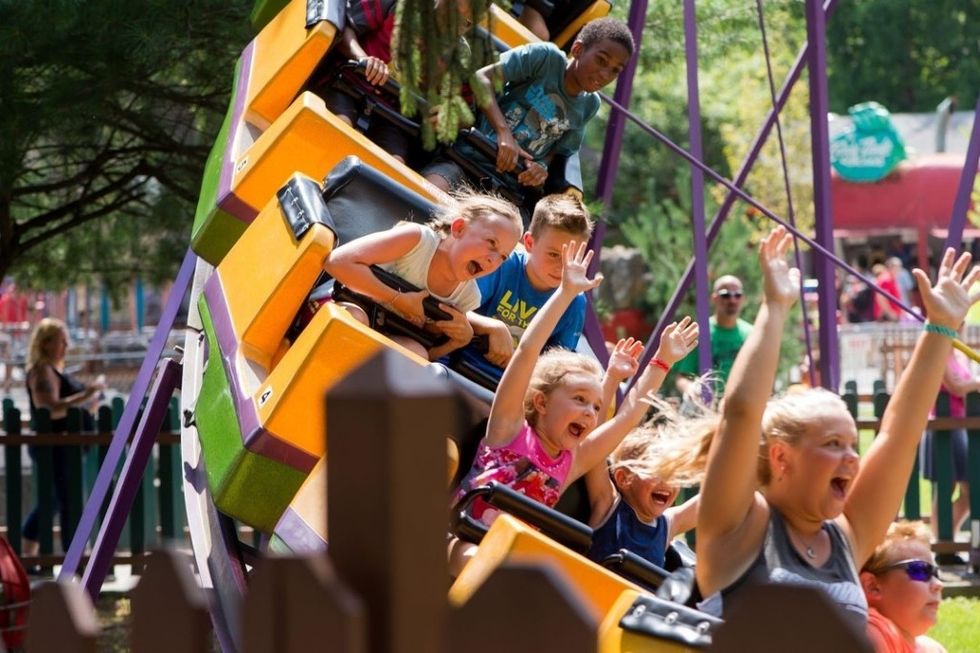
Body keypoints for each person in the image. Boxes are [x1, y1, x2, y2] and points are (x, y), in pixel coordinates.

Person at [695, 226, 980, 635]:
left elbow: (898, 433)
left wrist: (941, 327)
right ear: (780, 457)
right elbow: (740, 414)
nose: (852, 456)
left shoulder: (847, 537)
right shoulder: (738, 528)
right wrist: (775, 309)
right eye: (832, 444)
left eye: (851, 443)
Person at [449, 242, 699, 573]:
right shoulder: (509, 428)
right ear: (541, 401)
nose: (589, 412)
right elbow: (527, 350)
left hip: (507, 565)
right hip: (460, 540)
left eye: (595, 407)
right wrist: (566, 293)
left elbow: (628, 417)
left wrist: (662, 362)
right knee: (479, 564)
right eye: (579, 399)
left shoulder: (569, 463)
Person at [424, 17, 634, 196]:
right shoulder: (545, 57)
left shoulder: (589, 105)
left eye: (615, 70)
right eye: (601, 61)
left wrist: (541, 168)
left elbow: (560, 150)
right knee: (431, 193)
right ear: (578, 49)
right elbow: (482, 79)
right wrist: (503, 133)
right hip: (468, 158)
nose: (605, 74)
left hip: (508, 187)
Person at [322, 190, 523, 360]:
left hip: (388, 337)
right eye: (491, 243)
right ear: (459, 228)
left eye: (503, 257)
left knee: (415, 353)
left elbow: (428, 354)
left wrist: (455, 342)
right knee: (355, 319)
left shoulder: (468, 298)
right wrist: (397, 299)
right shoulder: (416, 240)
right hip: (343, 304)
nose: (493, 260)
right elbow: (337, 262)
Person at [584, 342, 716, 567]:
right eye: (657, 472)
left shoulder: (668, 524)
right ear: (624, 478)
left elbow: (717, 494)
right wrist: (612, 378)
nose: (668, 483)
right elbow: (595, 439)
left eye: (673, 474)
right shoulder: (607, 503)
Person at [455, 193, 593, 382]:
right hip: (461, 361)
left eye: (572, 257)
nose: (562, 267)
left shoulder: (574, 302)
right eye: (554, 255)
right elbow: (456, 307)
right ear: (529, 243)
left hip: (512, 389)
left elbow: (558, 368)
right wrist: (492, 327)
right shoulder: (501, 265)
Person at [22, 318, 104, 557]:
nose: (66, 345)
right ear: (45, 344)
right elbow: (48, 407)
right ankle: (66, 555)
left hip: (66, 447)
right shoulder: (41, 371)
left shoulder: (55, 370)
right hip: (54, 446)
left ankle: (30, 555)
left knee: (57, 501)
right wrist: (86, 394)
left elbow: (69, 410)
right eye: (61, 340)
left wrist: (89, 404)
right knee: (64, 501)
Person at [919, 347, 979, 541]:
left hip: (959, 424)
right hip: (942, 426)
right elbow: (956, 386)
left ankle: (945, 537)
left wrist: (970, 384)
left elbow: (964, 386)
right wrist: (976, 383)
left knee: (969, 490)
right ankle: (942, 541)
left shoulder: (957, 354)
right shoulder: (939, 352)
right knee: (946, 486)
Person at [860, 521, 947, 653]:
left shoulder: (929, 648)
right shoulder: (872, 632)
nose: (939, 584)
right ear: (872, 586)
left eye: (936, 574)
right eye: (921, 570)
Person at [674, 274, 752, 395]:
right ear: (714, 298)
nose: (732, 300)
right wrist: (691, 390)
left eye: (737, 295)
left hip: (742, 409)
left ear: (743, 299)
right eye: (726, 295)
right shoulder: (698, 332)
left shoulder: (752, 334)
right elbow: (682, 377)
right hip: (707, 409)